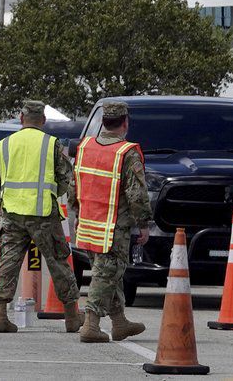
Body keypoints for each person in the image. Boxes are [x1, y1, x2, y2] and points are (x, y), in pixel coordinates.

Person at [0, 100, 82, 334]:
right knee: (59, 262)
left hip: (12, 213)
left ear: (21, 118)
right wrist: (53, 194)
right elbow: (67, 178)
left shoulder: (5, 144)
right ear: (43, 121)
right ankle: (71, 316)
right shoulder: (52, 144)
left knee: (7, 262)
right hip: (43, 214)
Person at [69, 100, 151, 343]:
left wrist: (77, 213)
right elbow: (137, 193)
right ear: (125, 123)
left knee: (108, 274)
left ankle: (119, 322)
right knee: (106, 275)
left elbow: (74, 186)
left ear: (103, 121)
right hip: (113, 228)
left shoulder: (85, 147)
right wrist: (144, 223)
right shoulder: (126, 152)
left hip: (88, 224)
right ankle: (91, 324)